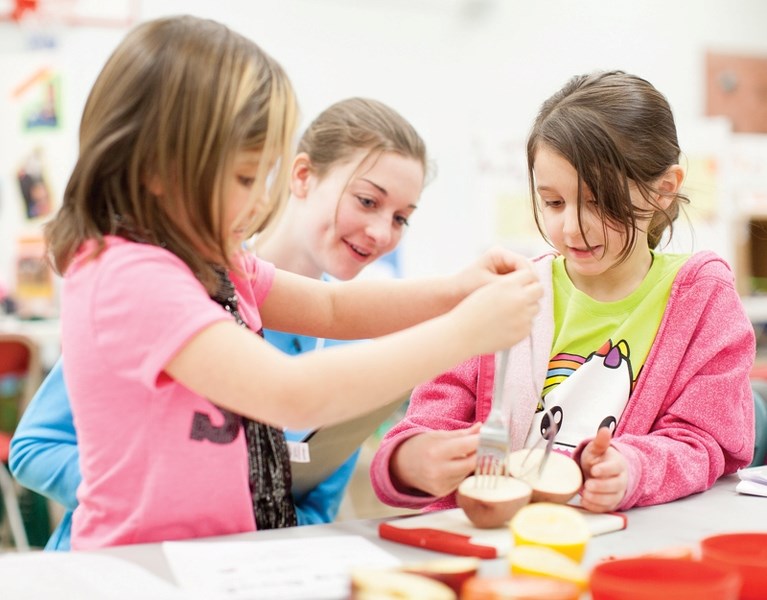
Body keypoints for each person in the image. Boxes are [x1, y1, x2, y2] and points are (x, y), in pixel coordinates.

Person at [20, 15, 541, 551]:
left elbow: (335, 310)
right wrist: (465, 332)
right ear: (157, 170)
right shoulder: (130, 276)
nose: (259, 199)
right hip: (137, 568)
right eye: (245, 178)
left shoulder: (216, 264)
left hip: (213, 561)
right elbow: (290, 395)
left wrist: (456, 290)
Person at [10, 96, 431, 548]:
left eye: (402, 218)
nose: (382, 233)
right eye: (367, 201)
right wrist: (156, 498)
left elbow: (316, 505)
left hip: (239, 570)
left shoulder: (348, 344)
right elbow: (35, 446)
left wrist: (246, 533)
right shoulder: (176, 284)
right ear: (303, 175)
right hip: (124, 556)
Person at [371, 70, 755, 515]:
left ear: (664, 190)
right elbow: (420, 429)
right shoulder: (505, 292)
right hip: (497, 554)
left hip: (621, 550)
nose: (571, 227)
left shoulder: (702, 298)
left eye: (599, 202)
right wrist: (408, 461)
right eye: (553, 203)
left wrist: (633, 470)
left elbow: (705, 442)